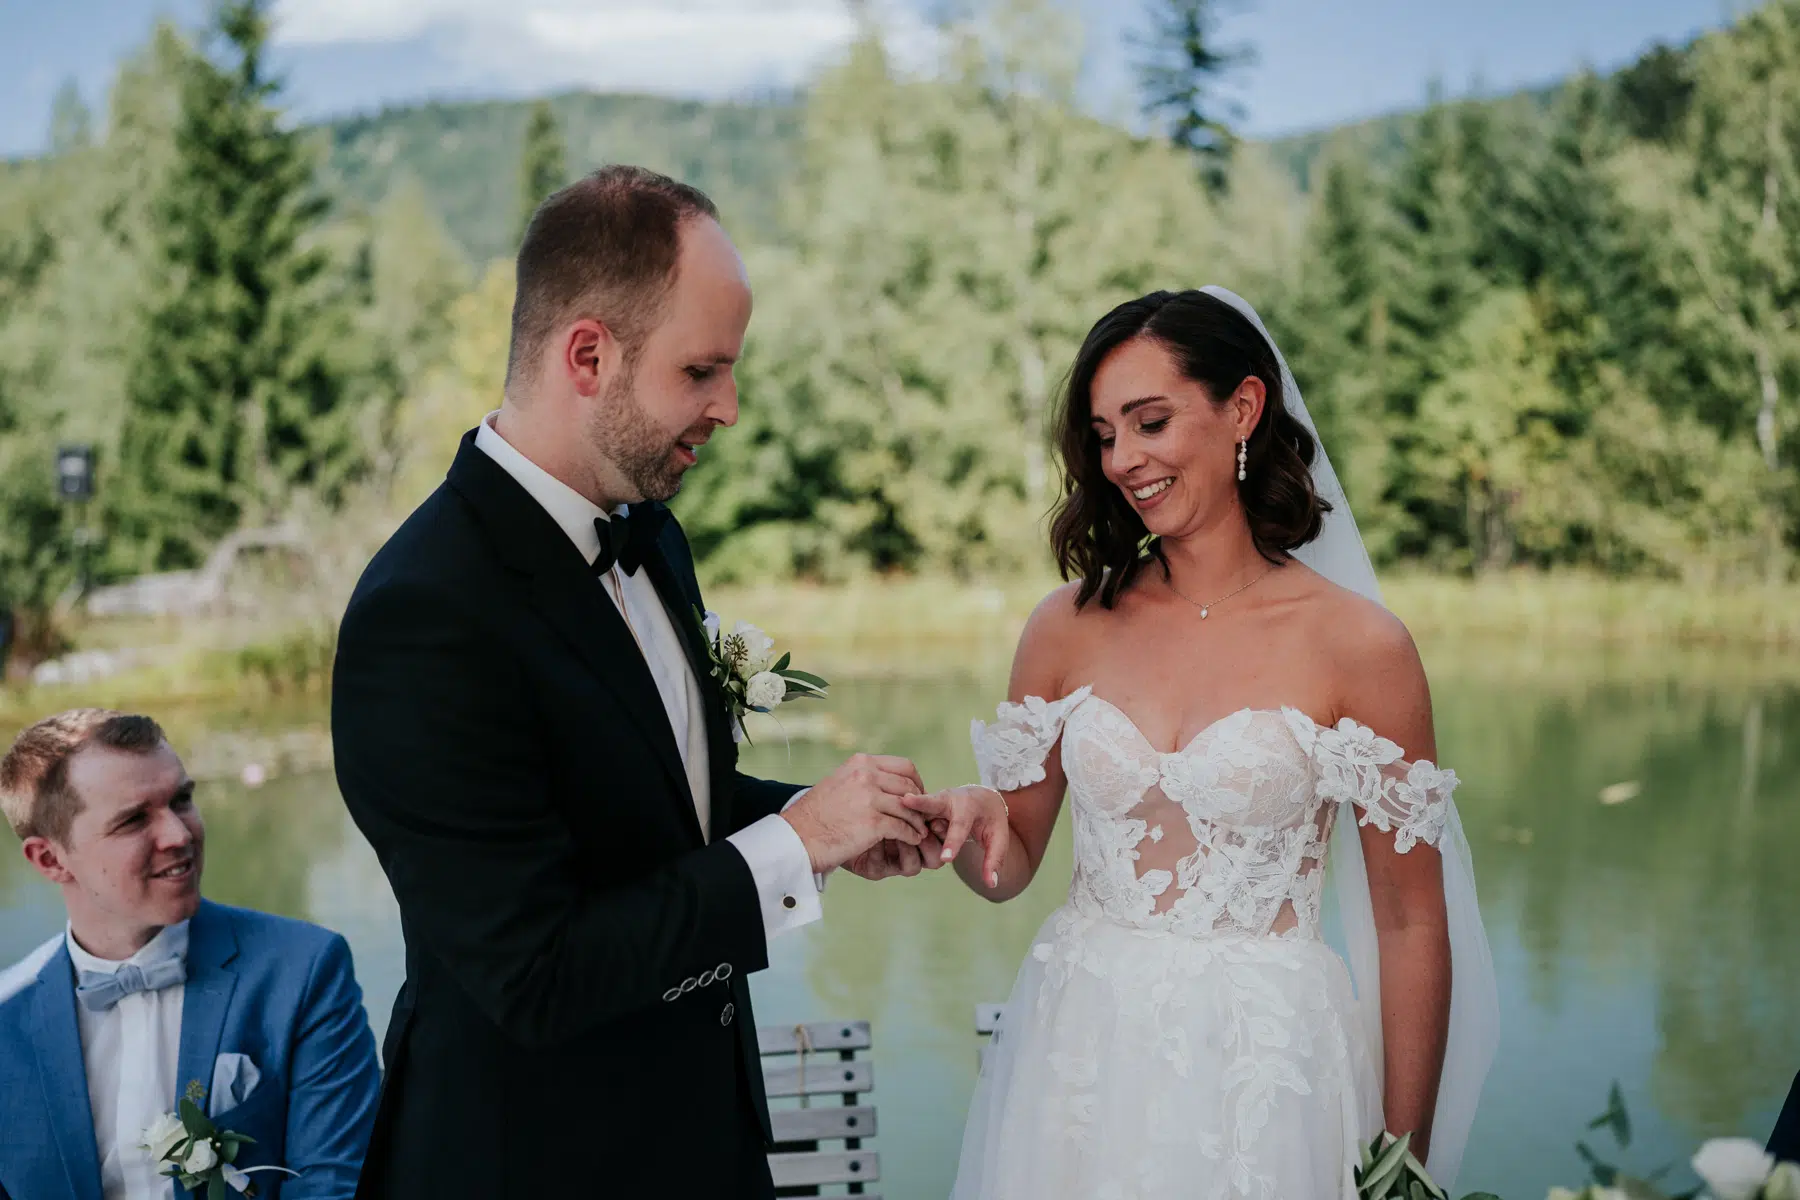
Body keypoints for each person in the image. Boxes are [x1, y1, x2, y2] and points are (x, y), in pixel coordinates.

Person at [330, 165, 952, 1200]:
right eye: (702, 371)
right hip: (534, 1163)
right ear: (588, 354)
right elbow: (535, 972)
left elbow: (657, 811)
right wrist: (792, 846)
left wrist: (825, 819)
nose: (732, 408)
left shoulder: (651, 535)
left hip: (705, 1139)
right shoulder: (425, 614)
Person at [907, 288, 1499, 1199]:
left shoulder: (1360, 646)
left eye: (1150, 422)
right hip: (1079, 1059)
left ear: (1244, 412)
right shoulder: (1064, 627)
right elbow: (1010, 864)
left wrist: (1400, 1159)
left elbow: (1411, 921)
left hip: (1266, 1075)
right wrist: (963, 822)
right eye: (1104, 435)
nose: (1124, 460)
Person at [0, 709, 381, 1200]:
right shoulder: (8, 1017)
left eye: (181, 800)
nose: (180, 835)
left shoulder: (303, 970)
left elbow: (332, 1186)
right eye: (134, 819)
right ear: (50, 859)